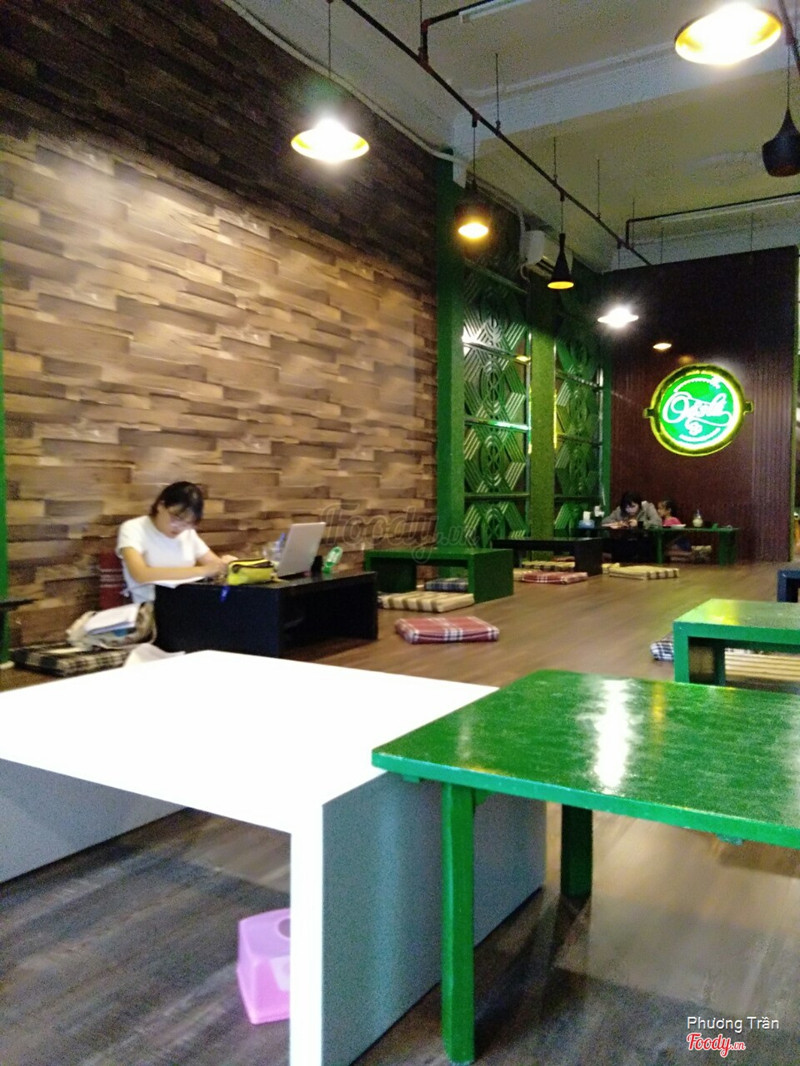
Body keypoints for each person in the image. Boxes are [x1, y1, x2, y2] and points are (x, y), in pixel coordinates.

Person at [116, 481, 236, 603]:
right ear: (161, 506)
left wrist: (229, 565)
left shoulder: (188, 532)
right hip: (150, 605)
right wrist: (204, 571)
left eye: (188, 522)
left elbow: (214, 564)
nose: (180, 527)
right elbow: (140, 574)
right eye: (176, 518)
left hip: (187, 602)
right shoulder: (133, 528)